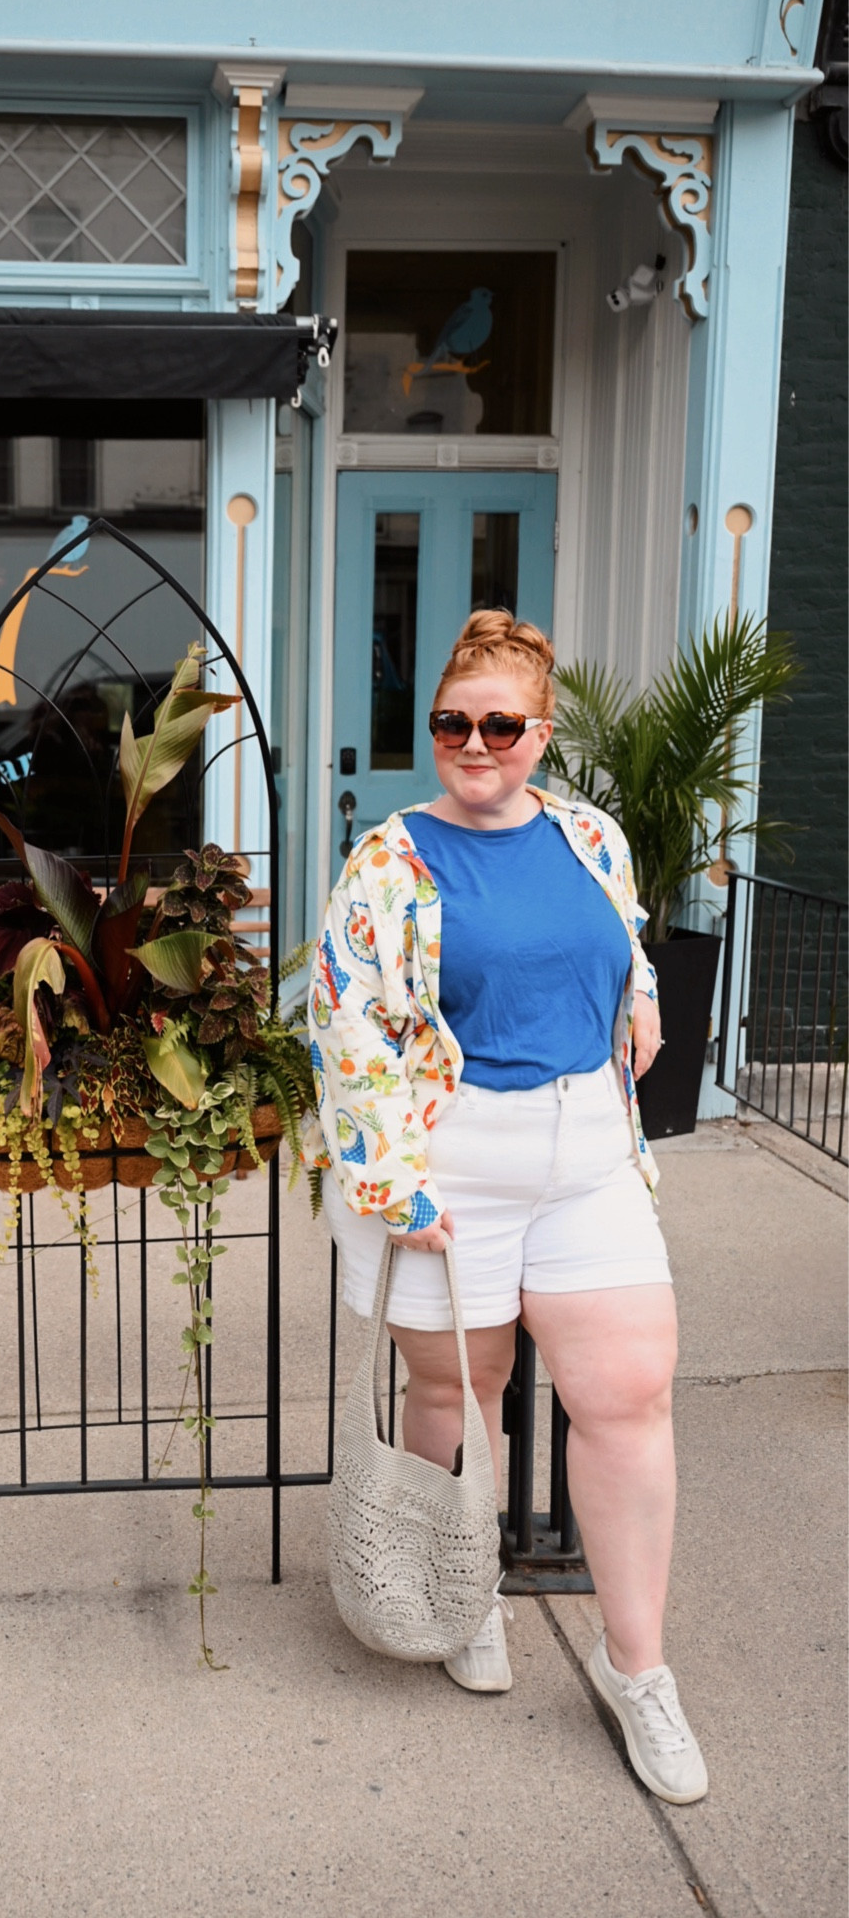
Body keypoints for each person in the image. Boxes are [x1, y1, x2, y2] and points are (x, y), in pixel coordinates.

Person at [307, 609, 708, 1807]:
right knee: (459, 1387)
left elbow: (622, 941)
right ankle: (460, 1585)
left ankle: (638, 1668)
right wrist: (389, 1177)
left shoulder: (590, 833)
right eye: (452, 722)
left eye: (498, 724)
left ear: (540, 732)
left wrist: (641, 996)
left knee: (629, 1388)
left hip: (587, 1149)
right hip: (450, 1158)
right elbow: (345, 1017)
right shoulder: (391, 859)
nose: (473, 743)